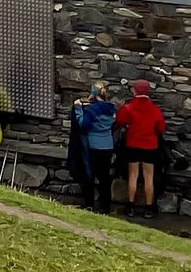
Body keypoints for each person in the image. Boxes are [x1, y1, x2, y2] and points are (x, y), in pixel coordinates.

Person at [115, 78, 167, 213]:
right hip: (150, 146)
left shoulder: (129, 108)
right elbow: (161, 128)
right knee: (148, 177)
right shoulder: (155, 109)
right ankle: (149, 207)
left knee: (133, 175)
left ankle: (130, 205)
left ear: (135, 91)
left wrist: (121, 109)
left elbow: (120, 121)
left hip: (132, 144)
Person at [71, 83, 120, 212]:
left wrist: (78, 110)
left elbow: (83, 125)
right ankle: (105, 207)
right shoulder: (111, 109)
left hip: (93, 145)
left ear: (93, 93)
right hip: (108, 145)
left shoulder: (93, 110)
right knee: (104, 177)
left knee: (90, 175)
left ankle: (89, 204)